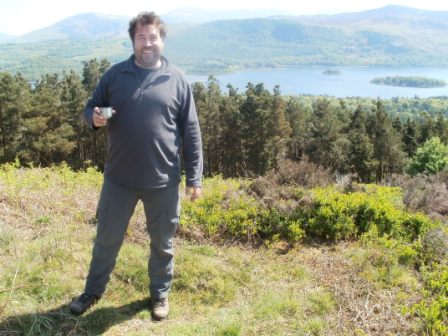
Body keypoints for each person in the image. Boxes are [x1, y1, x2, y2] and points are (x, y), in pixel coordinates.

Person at [69, 11, 203, 321]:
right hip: (119, 179)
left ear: (162, 39)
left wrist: (194, 177)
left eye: (152, 37)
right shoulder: (115, 75)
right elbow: (90, 108)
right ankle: (92, 291)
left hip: (163, 181)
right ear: (133, 41)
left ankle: (159, 295)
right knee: (106, 238)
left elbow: (191, 132)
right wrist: (94, 118)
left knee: (162, 244)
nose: (147, 43)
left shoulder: (178, 80)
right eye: (140, 37)